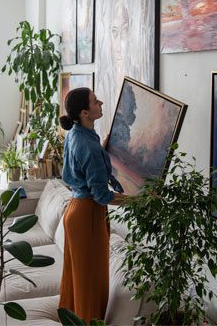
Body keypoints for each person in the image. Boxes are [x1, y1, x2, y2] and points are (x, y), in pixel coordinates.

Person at [58, 87, 129, 323]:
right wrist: (139, 201)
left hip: (76, 210)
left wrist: (104, 148)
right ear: (84, 112)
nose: (101, 103)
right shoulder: (86, 144)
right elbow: (102, 196)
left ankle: (73, 319)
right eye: (95, 101)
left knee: (78, 275)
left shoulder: (78, 134)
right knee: (90, 280)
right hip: (87, 215)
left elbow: (71, 176)